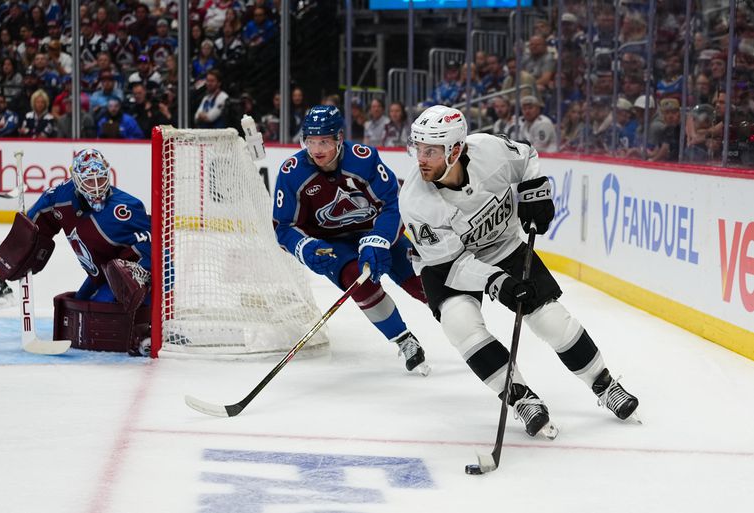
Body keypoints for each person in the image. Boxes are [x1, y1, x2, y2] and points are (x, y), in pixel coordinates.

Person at [399, 105, 640, 437]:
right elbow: (453, 265)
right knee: (459, 323)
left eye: (431, 151)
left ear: (455, 150)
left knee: (551, 319)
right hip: (448, 265)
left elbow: (527, 157)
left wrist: (535, 193)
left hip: (504, 246)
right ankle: (521, 398)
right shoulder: (415, 200)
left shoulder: (489, 151)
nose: (421, 159)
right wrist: (499, 283)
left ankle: (604, 384)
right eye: (418, 148)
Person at [272, 105, 429, 374]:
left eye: (324, 141)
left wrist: (379, 239)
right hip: (333, 245)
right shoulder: (292, 173)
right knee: (358, 280)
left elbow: (394, 202)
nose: (317, 149)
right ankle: (403, 339)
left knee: (419, 282)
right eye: (311, 141)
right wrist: (305, 247)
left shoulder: (363, 159)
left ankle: (460, 322)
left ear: (339, 139)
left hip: (375, 232)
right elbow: (283, 226)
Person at [0, 149, 152, 355]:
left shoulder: (126, 208)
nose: (97, 187)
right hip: (101, 274)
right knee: (79, 305)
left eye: (101, 179)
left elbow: (158, 254)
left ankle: (150, 324)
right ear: (76, 181)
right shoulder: (60, 197)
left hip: (128, 279)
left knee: (98, 314)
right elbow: (35, 220)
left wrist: (139, 276)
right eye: (89, 181)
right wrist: (23, 245)